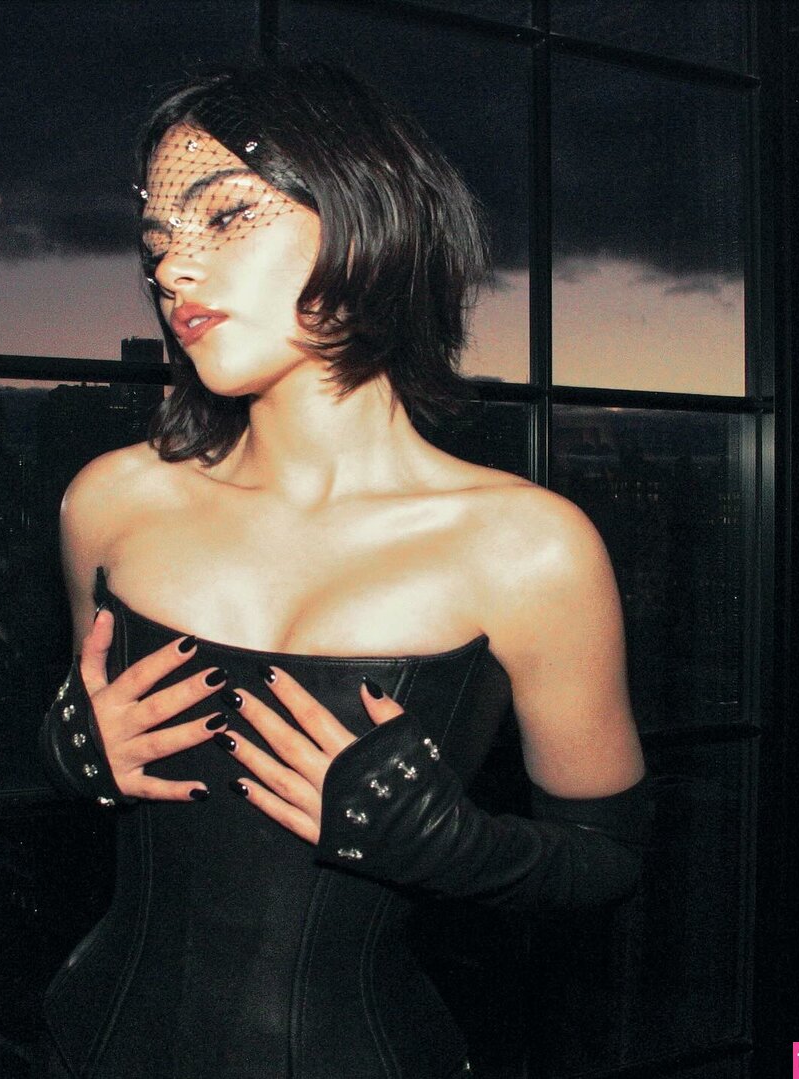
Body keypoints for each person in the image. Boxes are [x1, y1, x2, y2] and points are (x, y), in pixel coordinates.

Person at [39, 60, 650, 1079]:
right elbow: (101, 728)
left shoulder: (527, 547)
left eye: (225, 216)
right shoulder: (110, 501)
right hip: (85, 1044)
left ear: (368, 216)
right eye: (157, 242)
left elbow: (610, 859)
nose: (174, 268)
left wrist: (450, 844)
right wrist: (71, 754)